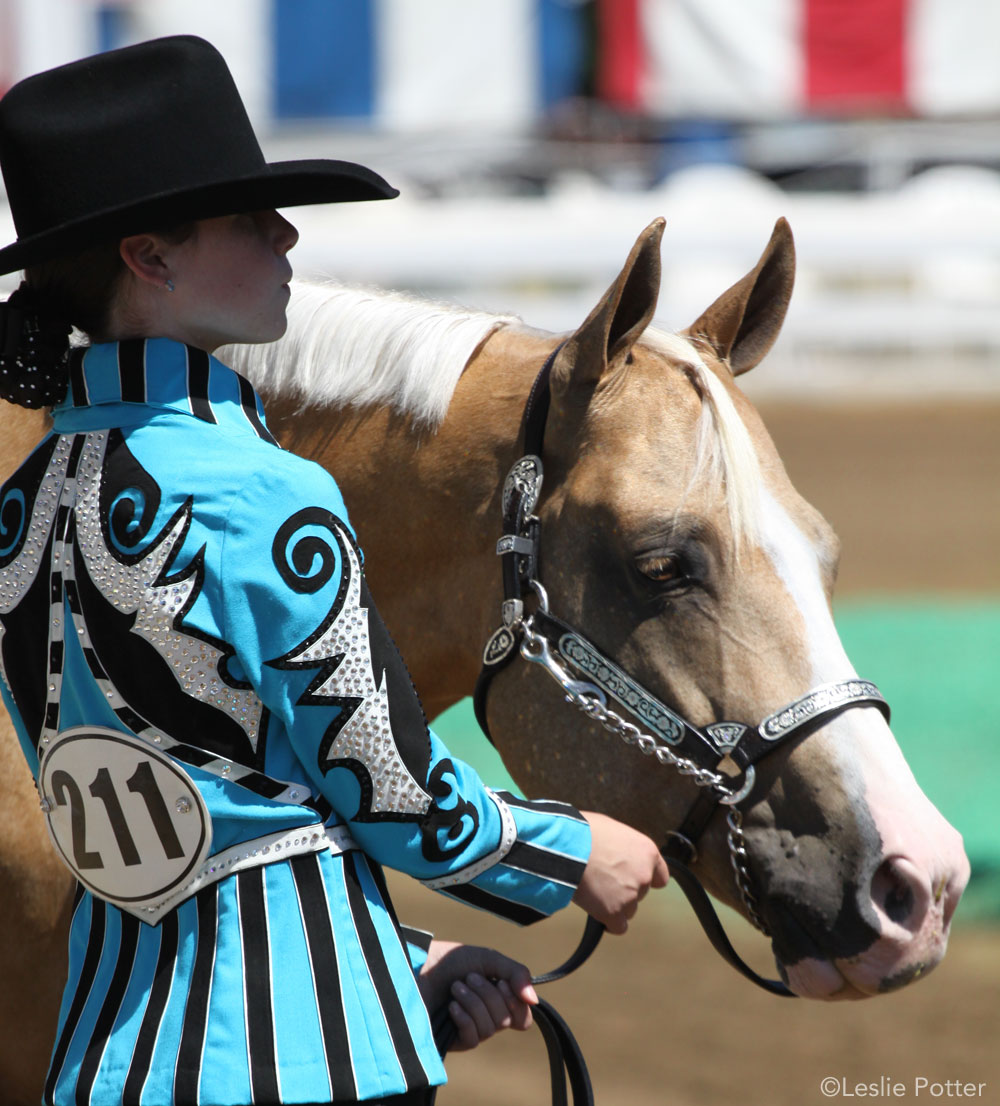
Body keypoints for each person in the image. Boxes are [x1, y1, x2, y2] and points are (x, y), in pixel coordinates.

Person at [0, 35, 668, 1106]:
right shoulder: (265, 492)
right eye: (245, 217)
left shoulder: (21, 504)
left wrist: (402, 958)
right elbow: (392, 790)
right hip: (310, 1071)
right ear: (150, 258)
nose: (287, 233)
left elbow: (175, 821)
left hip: (102, 1064)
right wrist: (571, 847)